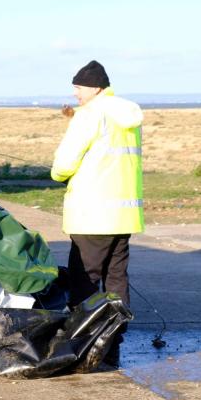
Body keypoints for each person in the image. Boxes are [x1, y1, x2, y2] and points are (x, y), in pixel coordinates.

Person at [51, 60, 143, 362]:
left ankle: (87, 342)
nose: (76, 94)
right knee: (116, 279)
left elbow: (65, 162)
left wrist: (57, 174)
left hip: (92, 214)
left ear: (94, 87)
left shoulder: (90, 115)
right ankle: (113, 340)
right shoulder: (126, 116)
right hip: (123, 214)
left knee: (85, 281)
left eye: (78, 87)